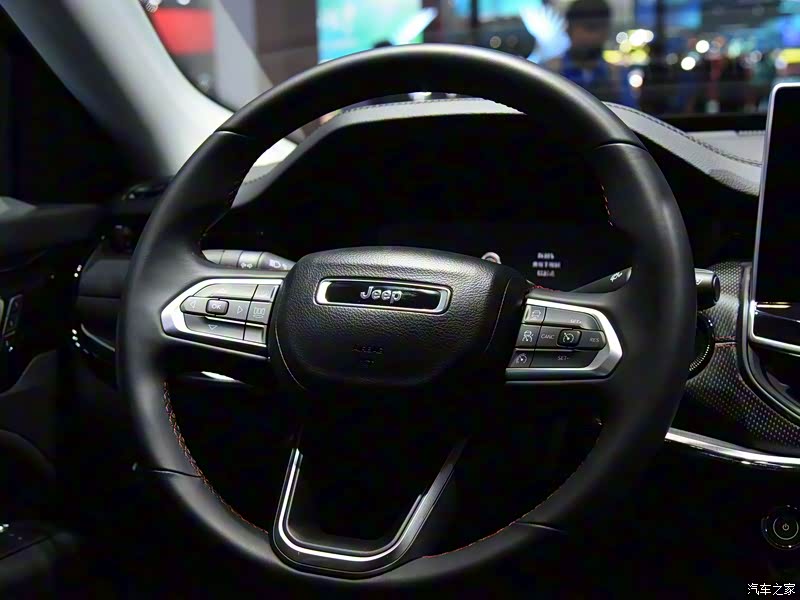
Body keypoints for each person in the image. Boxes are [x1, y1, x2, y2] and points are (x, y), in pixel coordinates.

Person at [545, 0, 635, 107]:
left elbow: (630, 113)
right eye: (590, 27)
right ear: (569, 29)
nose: (595, 36)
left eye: (602, 27)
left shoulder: (617, 75)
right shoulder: (548, 72)